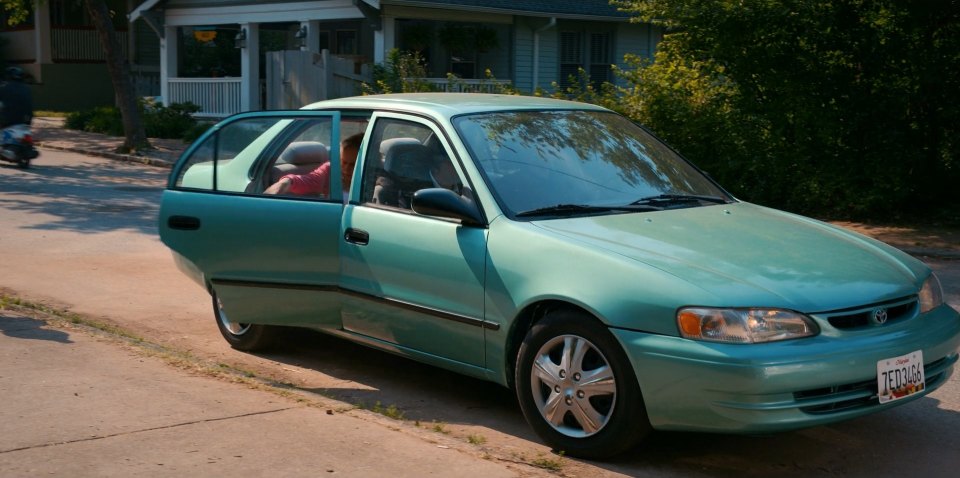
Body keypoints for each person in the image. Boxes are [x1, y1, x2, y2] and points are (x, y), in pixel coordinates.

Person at [264, 132, 364, 200]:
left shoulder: (375, 177)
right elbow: (306, 180)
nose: (346, 168)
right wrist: (286, 182)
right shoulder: (331, 169)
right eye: (343, 162)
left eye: (353, 164)